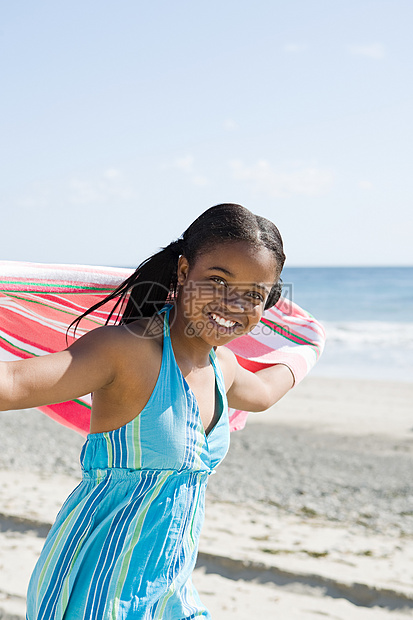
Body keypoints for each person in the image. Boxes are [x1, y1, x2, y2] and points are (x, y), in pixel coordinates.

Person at [0, 203, 295, 619]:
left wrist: (309, 349)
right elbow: (11, 384)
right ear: (182, 272)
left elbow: (264, 392)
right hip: (97, 588)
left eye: (253, 295)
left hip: (168, 589)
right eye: (216, 280)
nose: (233, 304)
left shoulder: (221, 367)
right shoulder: (125, 351)